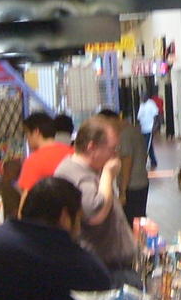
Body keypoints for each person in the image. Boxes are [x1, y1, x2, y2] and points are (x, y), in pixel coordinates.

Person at [53, 114, 142, 287]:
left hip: (113, 267)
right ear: (92, 147)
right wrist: (108, 174)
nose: (116, 154)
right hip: (106, 271)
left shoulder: (89, 170)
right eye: (112, 149)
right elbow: (96, 212)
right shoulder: (75, 174)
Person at [17, 112, 74, 199]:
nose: (27, 139)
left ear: (36, 132)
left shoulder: (34, 160)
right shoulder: (73, 153)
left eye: (27, 134)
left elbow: (27, 196)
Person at [114, 107, 151, 221]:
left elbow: (127, 162)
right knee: (138, 219)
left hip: (132, 186)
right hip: (141, 181)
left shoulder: (124, 135)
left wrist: (122, 192)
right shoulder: (134, 130)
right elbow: (145, 156)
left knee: (130, 221)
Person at [137, 94, 162, 169]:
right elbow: (139, 117)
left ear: (146, 97)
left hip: (149, 128)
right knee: (149, 146)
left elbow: (156, 116)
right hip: (143, 129)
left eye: (142, 97)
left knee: (146, 146)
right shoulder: (142, 105)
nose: (141, 98)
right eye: (140, 97)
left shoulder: (151, 104)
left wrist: (155, 126)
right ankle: (154, 162)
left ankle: (142, 162)